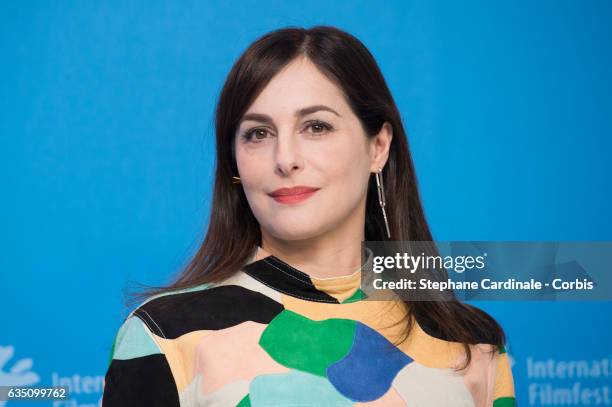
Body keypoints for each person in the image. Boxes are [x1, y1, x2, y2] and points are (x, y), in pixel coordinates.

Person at [102, 25, 516, 406]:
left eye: (316, 127)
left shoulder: (471, 343)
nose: (285, 159)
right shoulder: (165, 335)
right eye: (258, 133)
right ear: (234, 160)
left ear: (379, 147)